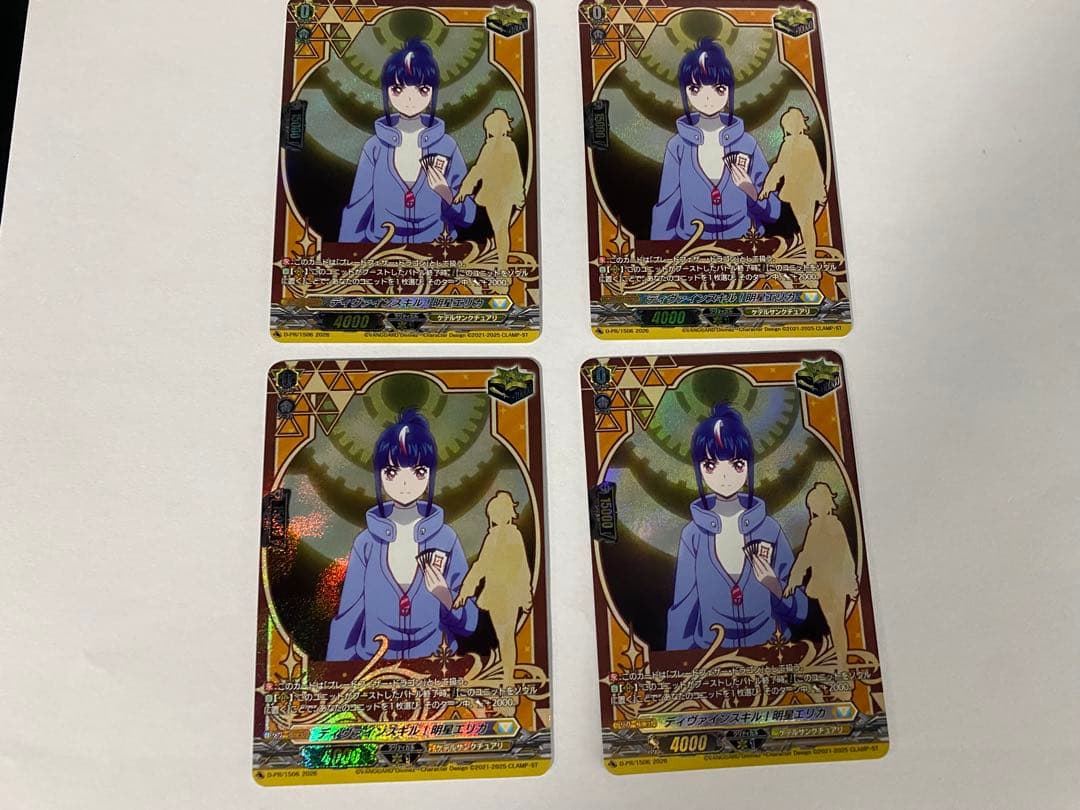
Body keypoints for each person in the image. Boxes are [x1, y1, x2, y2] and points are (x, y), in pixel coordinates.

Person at [327, 410, 478, 661]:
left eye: (418, 472)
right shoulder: (366, 544)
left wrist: (445, 596)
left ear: (430, 475)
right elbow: (350, 617)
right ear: (379, 475)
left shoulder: (446, 539)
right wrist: (334, 677)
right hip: (375, 668)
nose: (405, 484)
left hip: (435, 666)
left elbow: (470, 622)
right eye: (392, 472)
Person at [667, 403, 808, 650]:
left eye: (736, 464)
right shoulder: (693, 536)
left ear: (748, 466)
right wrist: (676, 666)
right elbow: (684, 608)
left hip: (770, 652)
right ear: (699, 469)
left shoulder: (769, 529)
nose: (724, 476)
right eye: (710, 465)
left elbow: (800, 610)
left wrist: (773, 584)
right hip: (713, 656)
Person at [339, 38, 476, 244]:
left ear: (433, 93)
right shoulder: (375, 147)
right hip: (382, 249)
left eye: (422, 90)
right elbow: (359, 208)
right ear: (386, 91)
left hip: (436, 250)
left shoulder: (447, 146)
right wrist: (347, 255)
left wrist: (445, 192)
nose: (409, 99)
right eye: (398, 89)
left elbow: (469, 215)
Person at [651, 38, 780, 241]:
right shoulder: (678, 147)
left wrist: (751, 191)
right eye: (695, 89)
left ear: (729, 91)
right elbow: (668, 207)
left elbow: (774, 211)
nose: (707, 98)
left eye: (719, 89)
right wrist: (659, 254)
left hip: (746, 245)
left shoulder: (747, 144)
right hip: (694, 247)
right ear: (685, 92)